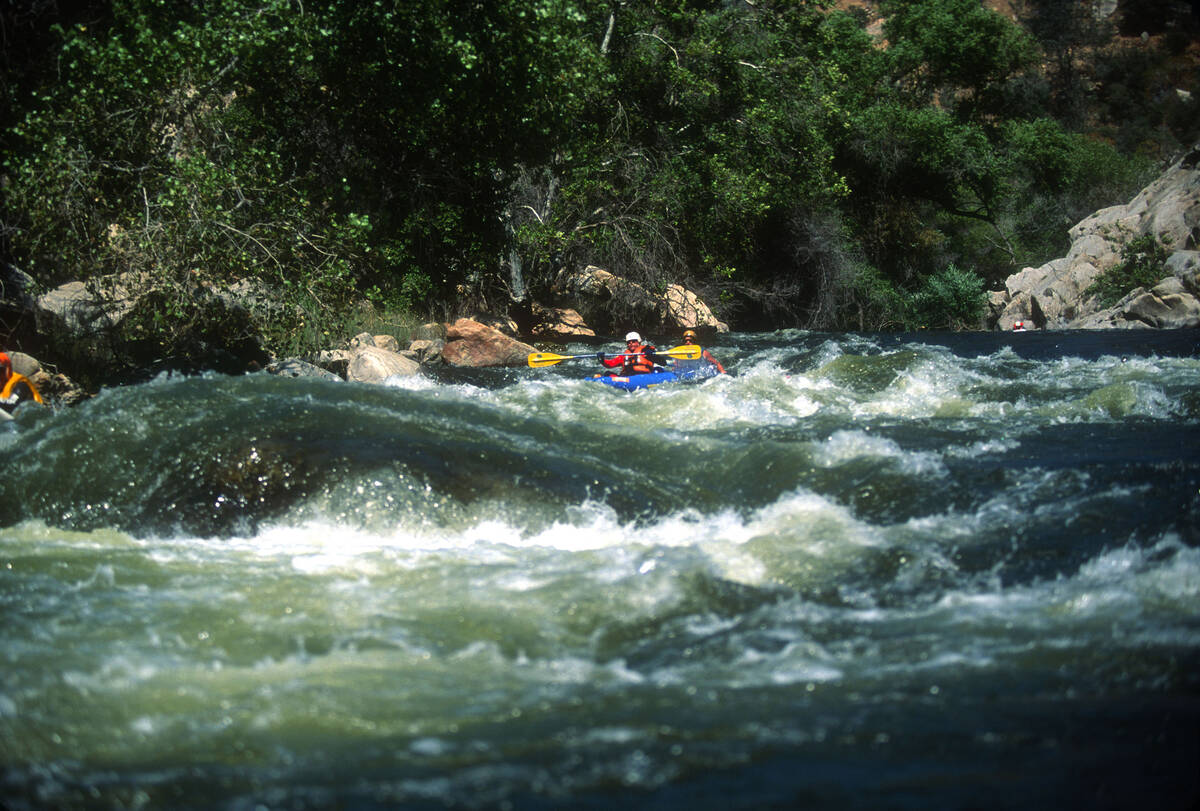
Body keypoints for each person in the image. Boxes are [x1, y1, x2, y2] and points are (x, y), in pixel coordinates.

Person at [596, 331, 663, 376]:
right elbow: (611, 364)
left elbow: (663, 362)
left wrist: (653, 356)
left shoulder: (647, 351)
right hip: (627, 377)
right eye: (629, 342)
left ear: (639, 342)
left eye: (633, 341)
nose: (631, 343)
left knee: (659, 370)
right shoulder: (624, 355)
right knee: (607, 374)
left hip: (643, 377)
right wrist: (602, 360)